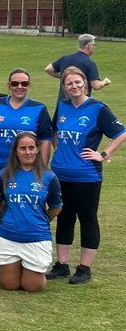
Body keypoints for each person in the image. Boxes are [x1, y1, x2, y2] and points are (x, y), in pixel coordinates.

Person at [46, 67, 126, 284]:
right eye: (69, 83)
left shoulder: (98, 108)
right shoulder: (62, 106)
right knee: (64, 217)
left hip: (86, 176)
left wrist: (103, 154)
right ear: (63, 87)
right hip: (61, 174)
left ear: (86, 84)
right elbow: (54, 131)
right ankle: (61, 265)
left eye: (78, 82)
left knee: (87, 219)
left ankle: (84, 268)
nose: (74, 86)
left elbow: (121, 133)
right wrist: (59, 150)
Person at [0, 132, 63, 294]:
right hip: (7, 235)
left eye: (31, 148)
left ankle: (30, 269)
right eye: (23, 148)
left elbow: (56, 206)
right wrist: (6, 218)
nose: (28, 152)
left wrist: (41, 220)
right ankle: (15, 266)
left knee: (32, 287)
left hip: (36, 237)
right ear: (16, 151)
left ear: (37, 150)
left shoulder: (49, 176)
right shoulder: (4, 174)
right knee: (9, 285)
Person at [0, 69, 53, 175]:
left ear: (29, 86)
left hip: (24, 170)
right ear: (9, 85)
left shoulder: (39, 108)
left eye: (24, 84)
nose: (19, 87)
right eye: (15, 84)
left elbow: (45, 140)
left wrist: (42, 169)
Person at [45, 33, 109, 108]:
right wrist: (105, 82)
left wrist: (65, 77)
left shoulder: (65, 58)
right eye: (93, 45)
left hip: (63, 104)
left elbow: (48, 69)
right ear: (88, 46)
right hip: (79, 104)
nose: (94, 47)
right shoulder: (89, 63)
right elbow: (96, 86)